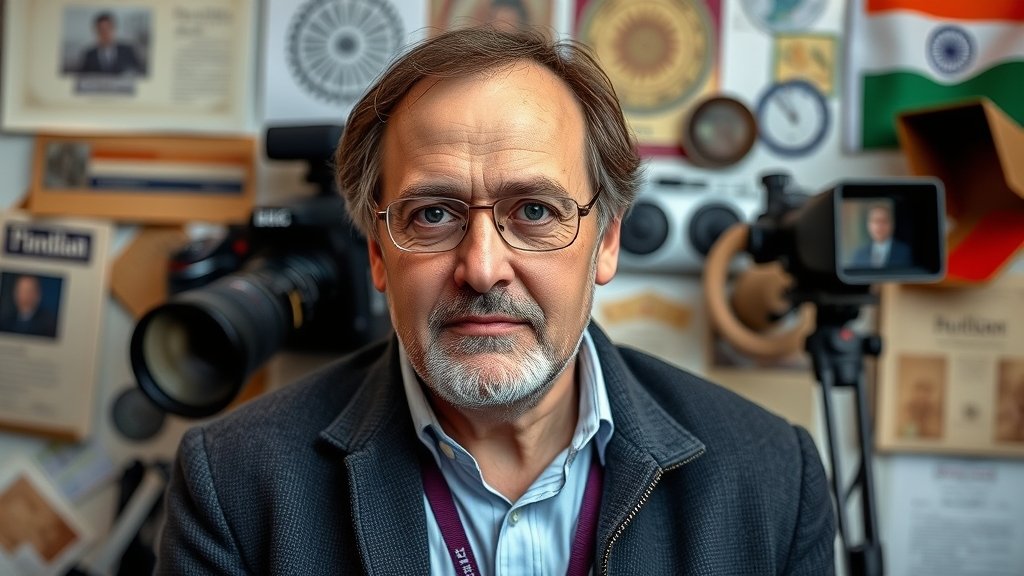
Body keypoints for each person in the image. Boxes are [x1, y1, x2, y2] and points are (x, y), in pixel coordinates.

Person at [158, 27, 835, 575]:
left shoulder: (773, 478)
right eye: (431, 215)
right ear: (376, 254)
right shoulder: (234, 484)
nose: (482, 269)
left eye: (535, 209)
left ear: (606, 243)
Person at [78, 12, 142, 75]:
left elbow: (138, 72)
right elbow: (82, 76)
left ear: (114, 29)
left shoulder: (127, 51)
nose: (105, 33)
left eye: (107, 29)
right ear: (96, 31)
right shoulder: (89, 55)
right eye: (101, 30)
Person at [850, 203, 913, 268]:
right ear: (868, 225)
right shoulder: (859, 255)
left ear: (892, 224)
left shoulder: (905, 252)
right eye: (875, 221)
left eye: (884, 221)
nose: (879, 226)